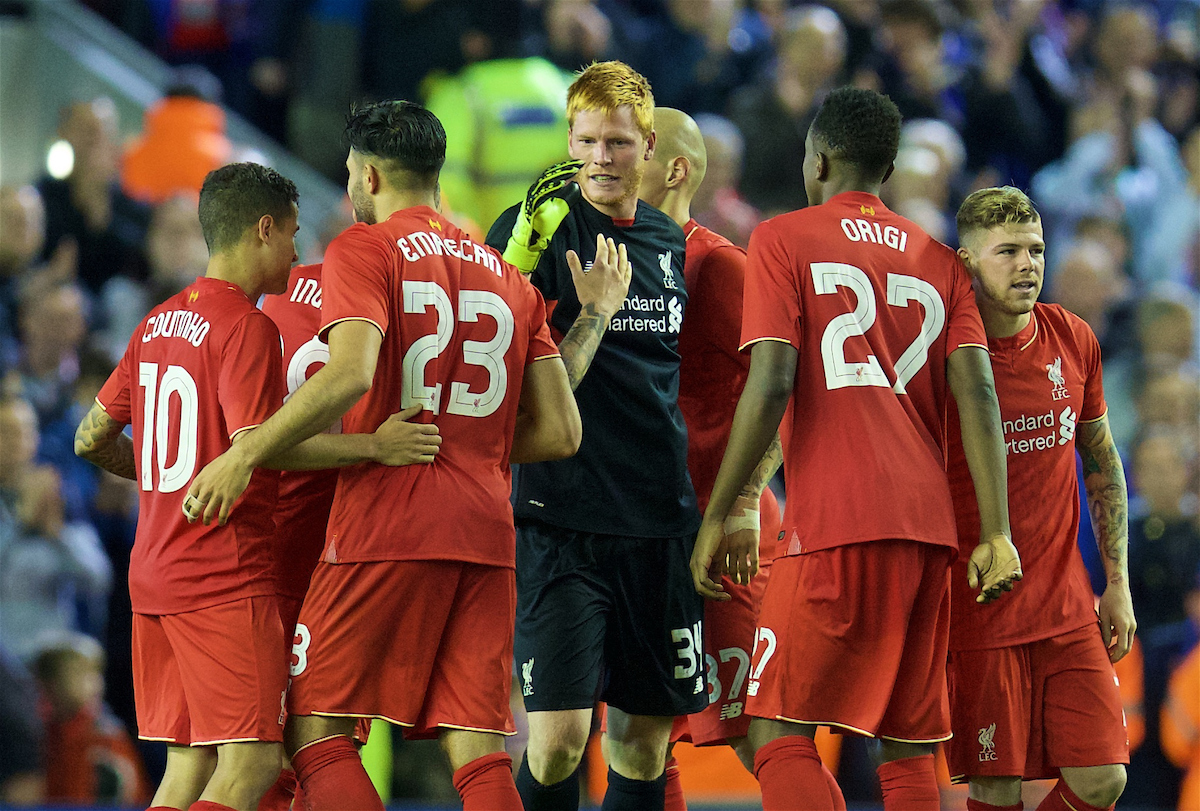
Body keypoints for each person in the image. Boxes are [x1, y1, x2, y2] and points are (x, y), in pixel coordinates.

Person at [184, 101, 585, 811]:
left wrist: (245, 455)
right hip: (488, 532)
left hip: (387, 518)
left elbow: (349, 374)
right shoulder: (506, 276)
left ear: (369, 176)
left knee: (313, 727)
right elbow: (560, 431)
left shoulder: (363, 250)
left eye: (347, 176)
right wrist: (472, 441)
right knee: (480, 750)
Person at [690, 87, 1021, 811]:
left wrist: (721, 510)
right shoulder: (940, 260)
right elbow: (980, 395)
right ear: (890, 167)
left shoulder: (784, 236)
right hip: (929, 529)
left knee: (776, 730)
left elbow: (772, 377)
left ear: (820, 159)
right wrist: (994, 530)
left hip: (834, 522)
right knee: (906, 749)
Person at [71, 162, 436, 811]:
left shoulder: (154, 323)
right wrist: (374, 446)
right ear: (263, 230)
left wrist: (164, 474)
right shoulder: (247, 327)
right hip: (229, 575)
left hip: (153, 574)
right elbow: (262, 447)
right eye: (293, 234)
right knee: (258, 763)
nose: (298, 254)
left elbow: (90, 437)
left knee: (186, 770)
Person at [486, 61, 705, 811]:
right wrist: (595, 313)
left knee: (643, 746)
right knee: (555, 745)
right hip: (561, 522)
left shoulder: (668, 242)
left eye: (617, 141)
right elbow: (509, 396)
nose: (602, 157)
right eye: (587, 141)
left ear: (648, 144)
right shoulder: (534, 231)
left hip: (659, 524)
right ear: (568, 141)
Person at [947, 186, 1135, 811]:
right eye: (1007, 252)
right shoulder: (941, 357)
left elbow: (1103, 464)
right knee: (996, 794)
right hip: (981, 612)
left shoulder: (1072, 337)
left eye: (1036, 250)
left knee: (1104, 776)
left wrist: (1117, 582)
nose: (1027, 265)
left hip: (1066, 606)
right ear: (966, 260)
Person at [635, 107, 785, 803]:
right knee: (643, 728)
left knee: (762, 730)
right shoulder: (607, 267)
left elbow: (785, 388)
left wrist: (747, 502)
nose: (603, 162)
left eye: (627, 148)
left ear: (676, 169)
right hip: (643, 533)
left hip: (720, 532)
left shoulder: (720, 264)